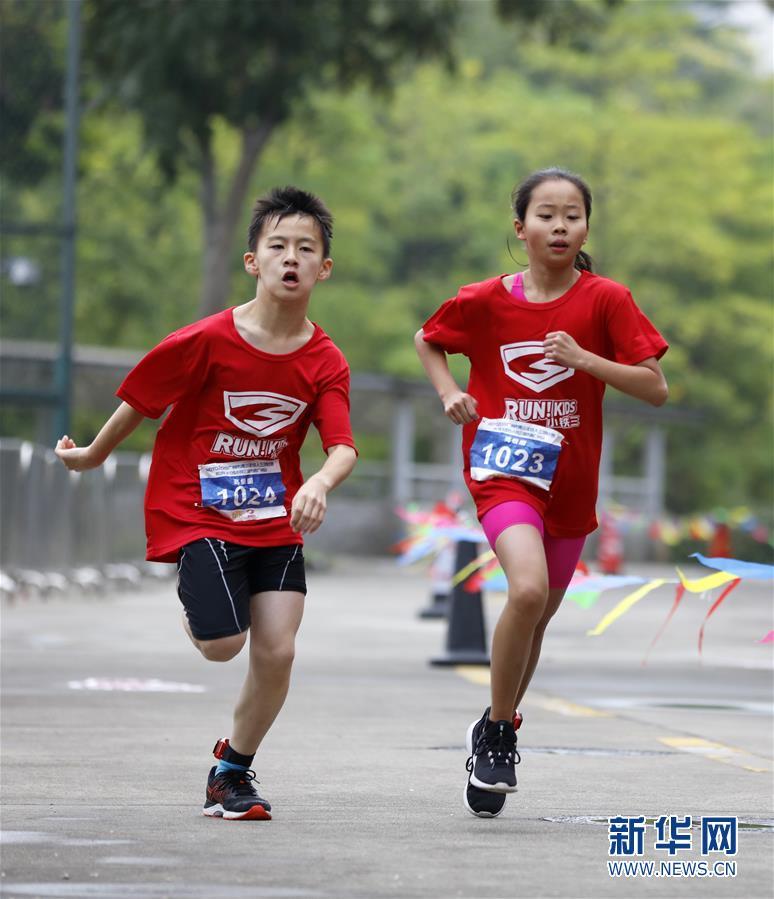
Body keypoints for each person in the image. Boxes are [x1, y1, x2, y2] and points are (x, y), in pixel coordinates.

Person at [56, 186, 358, 821]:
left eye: (306, 248)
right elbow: (142, 401)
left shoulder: (325, 359)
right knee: (223, 645)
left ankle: (231, 771)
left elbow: (341, 446)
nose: (291, 258)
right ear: (253, 261)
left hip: (274, 518)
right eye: (277, 246)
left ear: (324, 268)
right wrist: (92, 454)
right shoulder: (206, 339)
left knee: (277, 651)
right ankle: (200, 602)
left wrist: (317, 484)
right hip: (199, 508)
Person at [414, 167, 668, 818]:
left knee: (536, 619)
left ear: (585, 226)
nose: (560, 226)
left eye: (573, 215)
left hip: (570, 482)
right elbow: (429, 337)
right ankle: (501, 733)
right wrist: (450, 393)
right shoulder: (484, 300)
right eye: (546, 214)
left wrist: (586, 359)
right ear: (520, 225)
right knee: (524, 590)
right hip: (503, 471)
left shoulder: (606, 299)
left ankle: (492, 725)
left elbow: (653, 385)